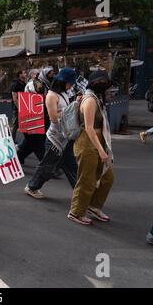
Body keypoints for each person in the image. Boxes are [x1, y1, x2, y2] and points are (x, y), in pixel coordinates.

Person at [68, 71, 114, 225]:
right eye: (103, 83)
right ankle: (76, 212)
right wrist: (101, 150)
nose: (106, 87)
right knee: (86, 179)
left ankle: (93, 206)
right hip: (88, 142)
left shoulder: (95, 98)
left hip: (98, 140)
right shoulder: (90, 100)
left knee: (107, 177)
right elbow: (88, 128)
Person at [24, 68, 78, 199]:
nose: (71, 85)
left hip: (66, 137)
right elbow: (53, 118)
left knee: (71, 166)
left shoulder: (64, 93)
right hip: (55, 139)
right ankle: (32, 187)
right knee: (47, 168)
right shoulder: (51, 95)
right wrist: (72, 108)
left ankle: (81, 192)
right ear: (62, 81)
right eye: (70, 83)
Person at [10, 70, 28, 141]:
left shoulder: (23, 83)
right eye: (24, 73)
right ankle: (12, 140)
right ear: (20, 75)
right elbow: (14, 97)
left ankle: (26, 139)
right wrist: (19, 107)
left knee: (24, 123)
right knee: (15, 124)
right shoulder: (16, 84)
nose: (25, 74)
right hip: (17, 107)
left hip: (23, 106)